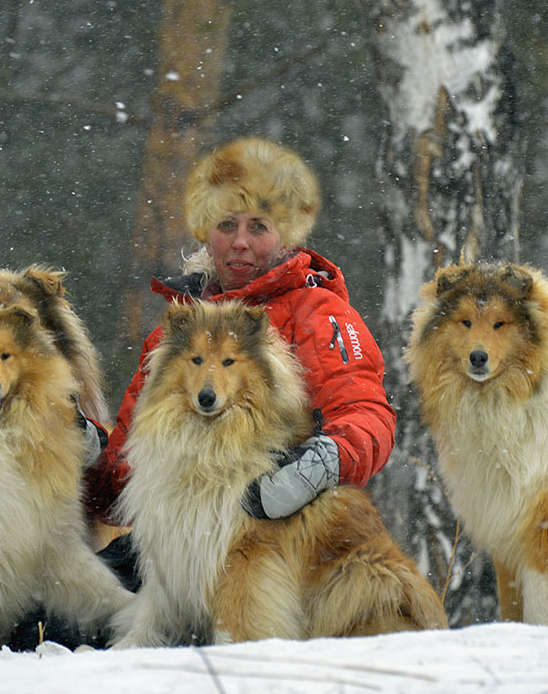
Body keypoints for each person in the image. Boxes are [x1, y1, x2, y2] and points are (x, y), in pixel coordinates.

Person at [85, 136, 396, 527]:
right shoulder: (181, 330)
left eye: (259, 227)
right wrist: (87, 451)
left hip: (277, 535)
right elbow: (122, 489)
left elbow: (366, 415)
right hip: (179, 537)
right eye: (227, 224)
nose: (240, 243)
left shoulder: (317, 312)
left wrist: (315, 467)